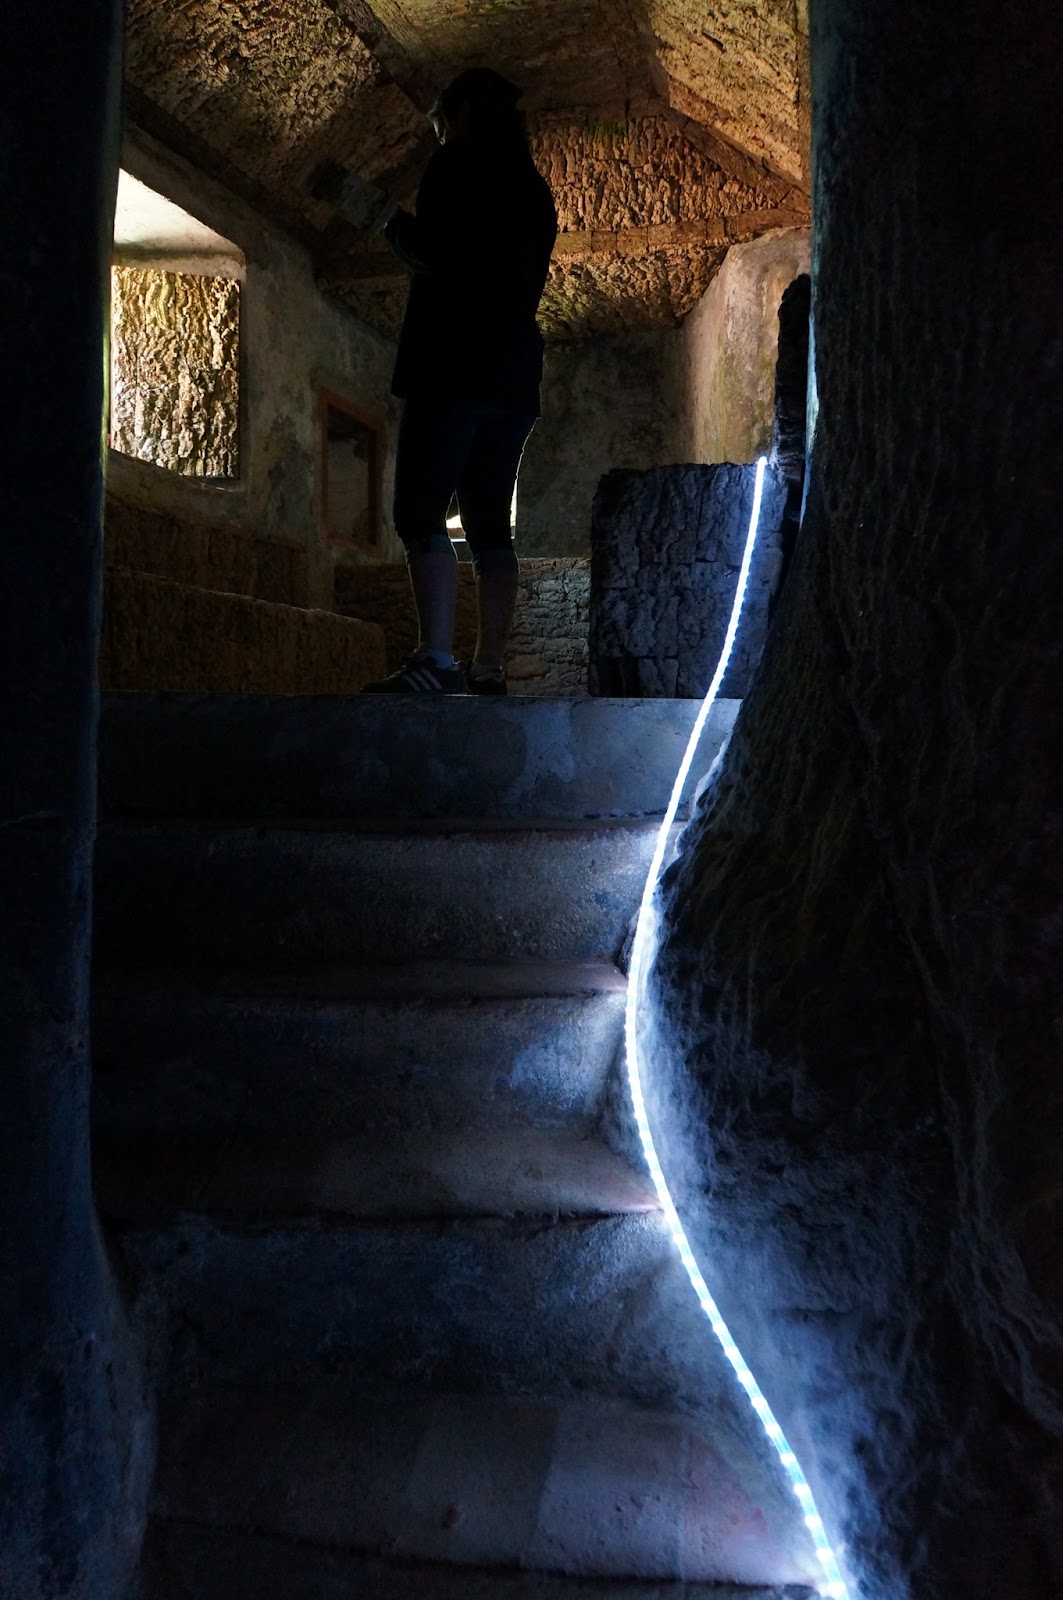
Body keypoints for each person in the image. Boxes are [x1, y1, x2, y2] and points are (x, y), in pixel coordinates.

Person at [360, 68, 558, 694]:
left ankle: (435, 660)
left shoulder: (456, 167)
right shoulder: (534, 190)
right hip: (514, 370)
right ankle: (489, 668)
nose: (439, 133)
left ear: (459, 115)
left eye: (441, 122)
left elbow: (436, 253)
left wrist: (385, 220)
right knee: (490, 522)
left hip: (452, 363)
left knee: (419, 511)